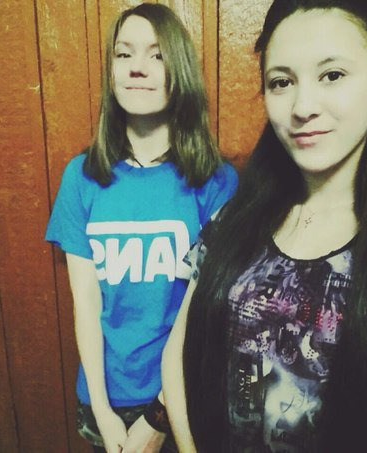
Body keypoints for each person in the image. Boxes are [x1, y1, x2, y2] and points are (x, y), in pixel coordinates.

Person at [161, 0, 367, 452]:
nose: (303, 106)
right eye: (282, 82)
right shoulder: (233, 220)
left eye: (332, 75)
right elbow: (179, 350)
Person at [45, 3, 237, 452]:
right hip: (105, 400)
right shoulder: (81, 177)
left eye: (156, 54)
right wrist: (102, 411)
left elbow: (212, 312)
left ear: (178, 70)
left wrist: (160, 416)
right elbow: (86, 302)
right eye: (124, 53)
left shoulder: (216, 181)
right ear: (111, 71)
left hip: (181, 396)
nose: (137, 67)